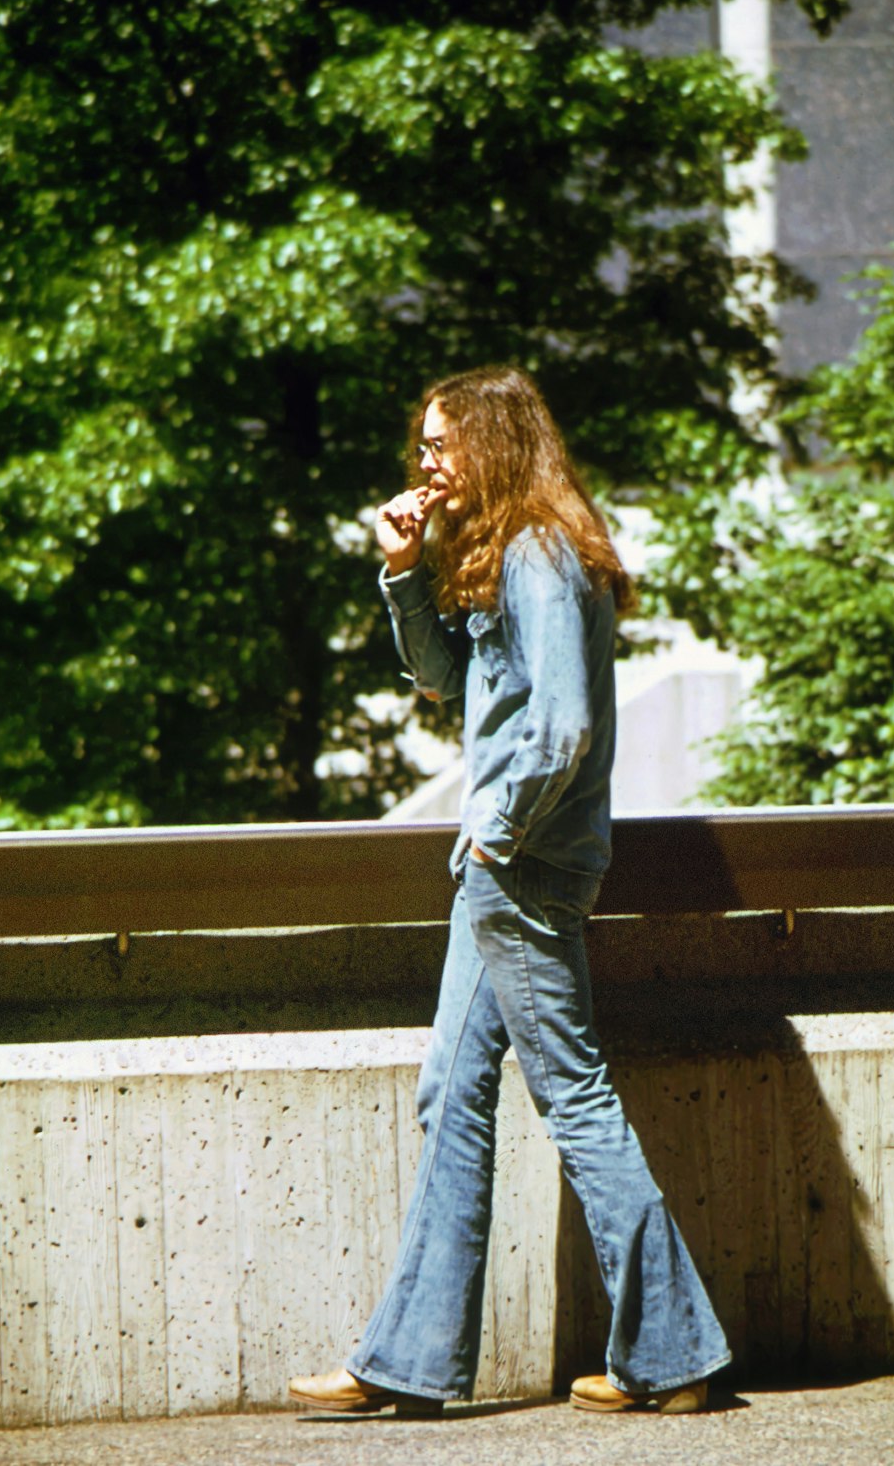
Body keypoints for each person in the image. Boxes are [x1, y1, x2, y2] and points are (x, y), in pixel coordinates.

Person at [288, 364, 730, 1417]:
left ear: (490, 443)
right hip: (509, 865)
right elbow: (446, 680)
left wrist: (494, 834)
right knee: (454, 1093)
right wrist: (404, 571)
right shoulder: (505, 548)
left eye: (442, 446)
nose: (426, 464)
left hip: (518, 866)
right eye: (422, 448)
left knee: (573, 1096)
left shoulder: (537, 550)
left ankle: (673, 1354)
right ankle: (411, 1365)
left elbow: (563, 725)